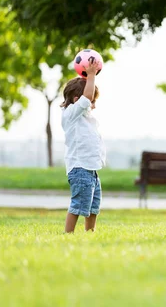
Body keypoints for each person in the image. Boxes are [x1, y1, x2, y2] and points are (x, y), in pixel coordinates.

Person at [60, 60, 106, 233]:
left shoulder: (86, 119)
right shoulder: (71, 114)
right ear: (77, 99)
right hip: (79, 168)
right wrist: (91, 75)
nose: (93, 105)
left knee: (93, 206)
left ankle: (89, 233)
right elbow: (86, 99)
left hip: (91, 169)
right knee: (78, 204)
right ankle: (68, 233)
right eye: (92, 101)